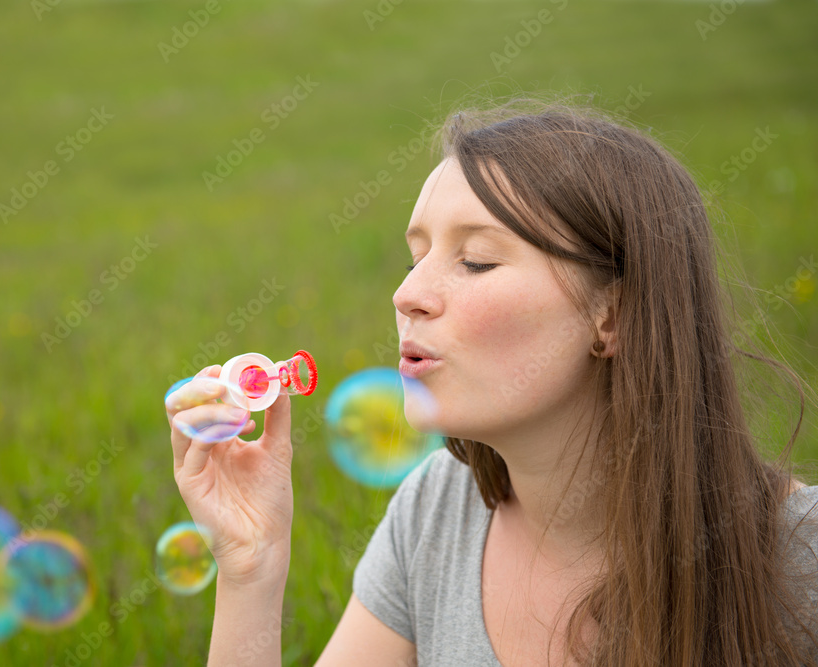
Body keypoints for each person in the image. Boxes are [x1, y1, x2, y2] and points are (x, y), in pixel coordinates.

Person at [165, 100, 818, 666]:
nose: (406, 293)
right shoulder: (438, 512)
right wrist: (250, 565)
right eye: (417, 256)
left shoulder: (801, 556)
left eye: (475, 260)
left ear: (612, 314)